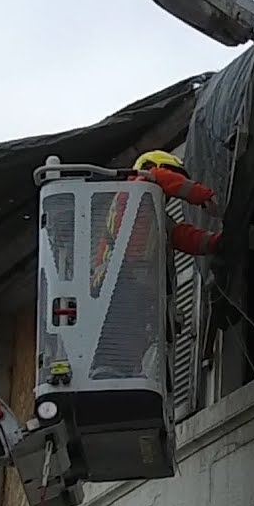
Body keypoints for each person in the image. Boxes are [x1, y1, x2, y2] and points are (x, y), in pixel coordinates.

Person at [88, 150, 222, 383]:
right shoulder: (135, 189)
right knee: (121, 326)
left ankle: (122, 370)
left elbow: (179, 235)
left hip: (129, 281)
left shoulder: (152, 214)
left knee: (136, 329)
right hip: (118, 278)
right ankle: (108, 367)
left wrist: (214, 242)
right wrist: (204, 196)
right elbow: (159, 178)